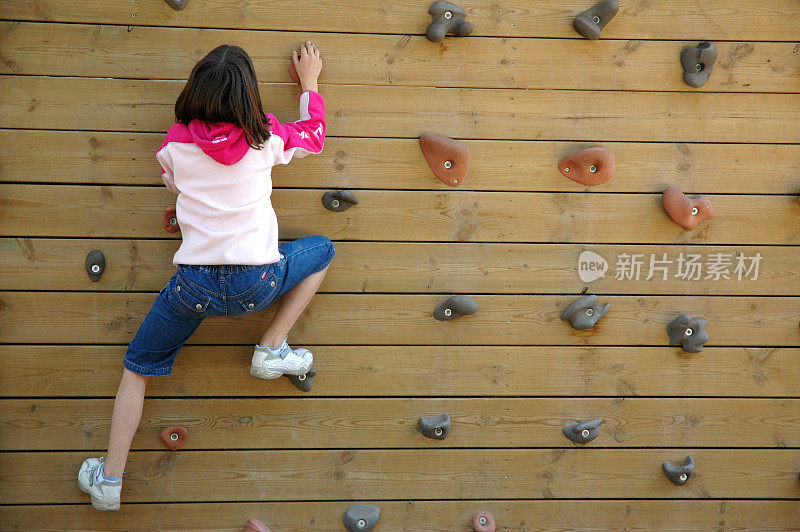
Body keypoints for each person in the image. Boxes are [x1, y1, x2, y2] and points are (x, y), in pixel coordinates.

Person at [77, 42, 333, 511]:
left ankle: (109, 481)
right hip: (258, 282)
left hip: (193, 286)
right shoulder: (264, 137)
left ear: (194, 91)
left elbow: (175, 183)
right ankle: (272, 346)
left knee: (137, 366)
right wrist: (310, 83)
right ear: (248, 96)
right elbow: (314, 135)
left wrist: (186, 207)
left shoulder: (175, 143)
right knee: (321, 250)